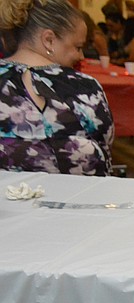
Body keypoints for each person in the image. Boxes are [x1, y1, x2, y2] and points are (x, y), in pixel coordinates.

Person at [0, 0, 113, 175]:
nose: (81, 55)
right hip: (80, 196)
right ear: (49, 40)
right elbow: (104, 147)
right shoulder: (85, 87)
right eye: (78, 47)